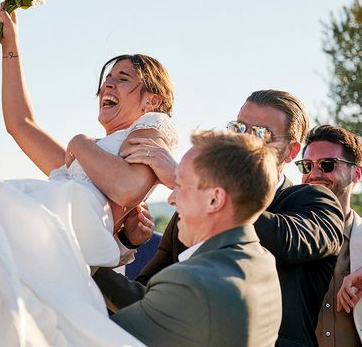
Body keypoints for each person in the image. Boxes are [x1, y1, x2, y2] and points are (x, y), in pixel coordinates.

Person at [95, 89, 345, 347]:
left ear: (291, 152)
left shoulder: (315, 201)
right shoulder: (189, 216)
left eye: (260, 133)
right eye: (238, 127)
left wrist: (199, 185)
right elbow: (149, 297)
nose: (243, 138)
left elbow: (287, 240)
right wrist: (86, 268)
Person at [0, 7, 178, 261]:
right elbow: (20, 124)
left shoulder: (152, 126)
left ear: (152, 101)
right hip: (50, 216)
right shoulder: (84, 159)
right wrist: (10, 45)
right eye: (107, 78)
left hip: (56, 231)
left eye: (123, 79)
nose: (107, 85)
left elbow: (127, 188)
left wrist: (79, 142)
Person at [112, 130, 283, 346]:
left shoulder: (193, 281)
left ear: (215, 199)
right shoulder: (262, 261)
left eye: (180, 186)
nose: (171, 198)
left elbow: (95, 337)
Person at [296, 125, 362, 346]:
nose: (314, 174)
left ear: (357, 173)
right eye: (307, 165)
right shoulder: (286, 235)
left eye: (327, 164)